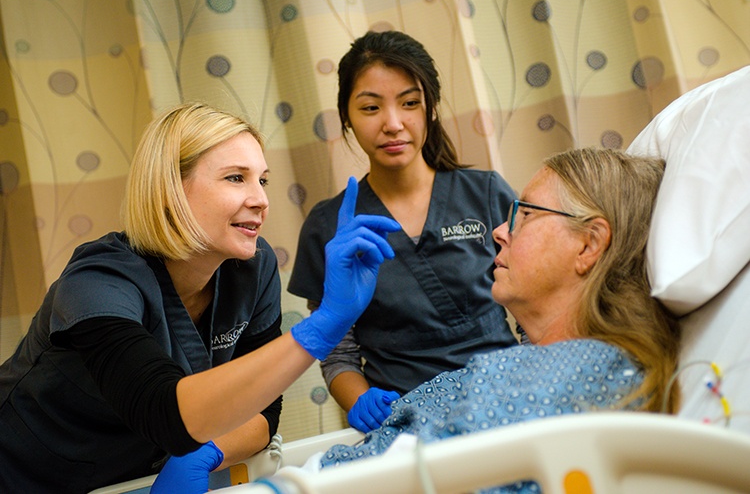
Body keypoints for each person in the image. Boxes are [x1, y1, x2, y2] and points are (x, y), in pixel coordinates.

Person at [0, 102, 400, 494]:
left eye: (262, 179)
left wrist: (206, 451)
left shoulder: (252, 271)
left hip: (132, 477)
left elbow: (264, 412)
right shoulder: (97, 281)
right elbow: (163, 410)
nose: (261, 199)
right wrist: (324, 323)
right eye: (235, 178)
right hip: (24, 474)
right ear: (170, 190)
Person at [317, 147, 681, 493]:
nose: (499, 231)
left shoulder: (581, 373)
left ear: (588, 245)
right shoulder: (536, 367)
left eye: (526, 215)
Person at [288, 30, 518, 433]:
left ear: (430, 108)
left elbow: (538, 312)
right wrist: (361, 400)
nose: (393, 124)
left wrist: (543, 385)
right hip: (408, 422)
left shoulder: (486, 194)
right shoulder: (328, 226)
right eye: (371, 108)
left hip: (511, 400)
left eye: (409, 103)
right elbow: (338, 353)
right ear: (347, 117)